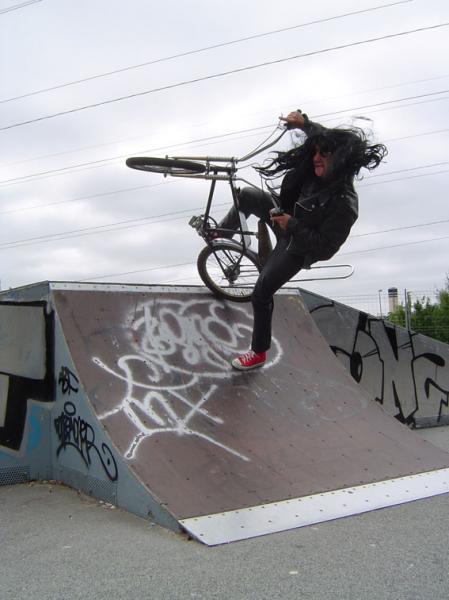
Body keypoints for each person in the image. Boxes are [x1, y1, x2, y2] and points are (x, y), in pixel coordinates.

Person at [218, 109, 388, 370]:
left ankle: (258, 352)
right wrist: (304, 123)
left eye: (323, 155)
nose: (316, 159)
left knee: (261, 292)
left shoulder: (344, 204)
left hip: (297, 246)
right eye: (315, 153)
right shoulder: (317, 166)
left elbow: (325, 248)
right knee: (248, 195)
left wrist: (292, 225)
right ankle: (219, 237)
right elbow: (321, 134)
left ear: (340, 159)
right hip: (284, 215)